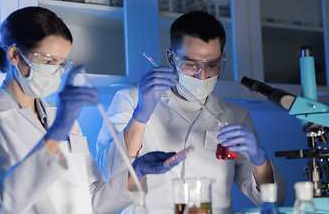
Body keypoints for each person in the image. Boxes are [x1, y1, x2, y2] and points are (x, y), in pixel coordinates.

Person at [0, 6, 182, 214]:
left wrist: (138, 171)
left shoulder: (58, 115)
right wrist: (60, 128)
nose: (55, 71)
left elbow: (92, 200)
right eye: (48, 61)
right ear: (14, 54)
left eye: (61, 63)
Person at [96, 11, 287, 213]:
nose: (202, 75)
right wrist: (141, 114)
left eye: (212, 65)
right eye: (190, 64)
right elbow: (107, 174)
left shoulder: (236, 116)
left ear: (222, 60)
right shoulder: (131, 100)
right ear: (171, 58)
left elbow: (273, 201)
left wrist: (259, 160)